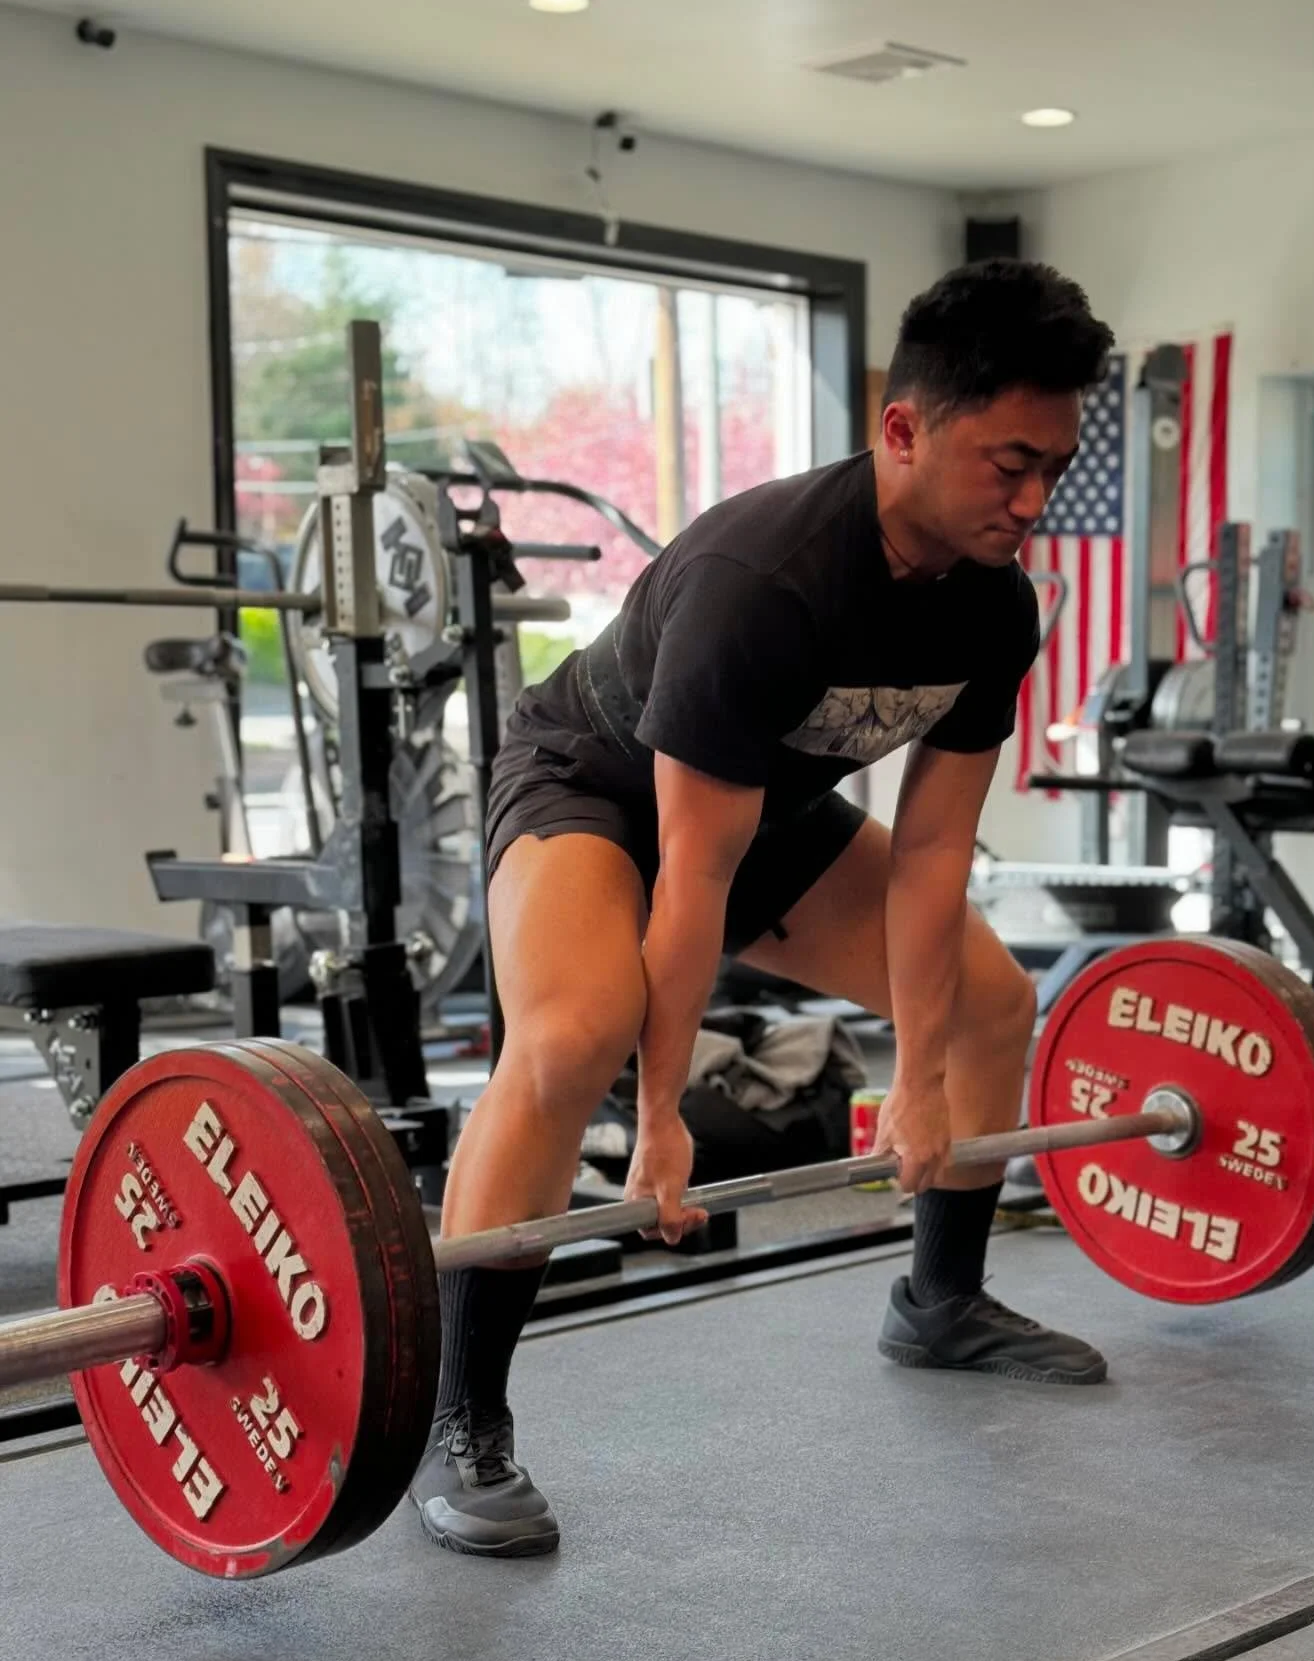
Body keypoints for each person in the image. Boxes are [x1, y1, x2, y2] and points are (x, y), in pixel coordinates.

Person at [409, 260, 1117, 1558]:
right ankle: (460, 1418)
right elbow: (692, 877)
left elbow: (933, 849)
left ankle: (940, 1302)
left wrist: (915, 1078)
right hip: (597, 789)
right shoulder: (768, 580)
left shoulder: (994, 605)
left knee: (994, 1006)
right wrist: (664, 1119)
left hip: (770, 812)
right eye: (1008, 463)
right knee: (575, 1036)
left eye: (1052, 470)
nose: (1033, 501)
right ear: (903, 429)